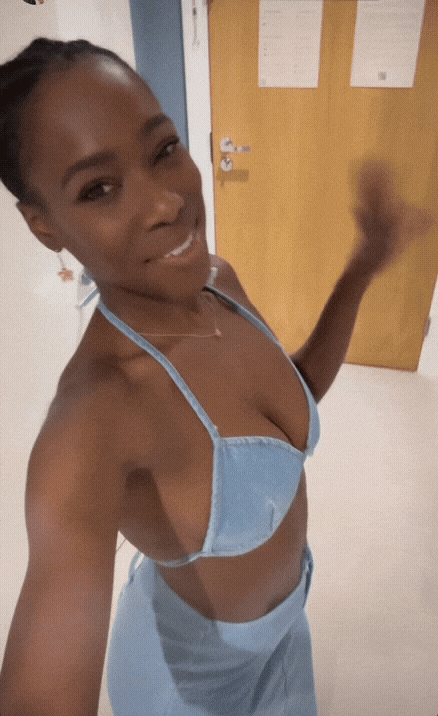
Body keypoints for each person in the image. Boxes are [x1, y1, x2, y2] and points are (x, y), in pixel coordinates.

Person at [0, 38, 430, 716]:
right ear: (44, 225)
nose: (166, 202)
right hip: (190, 691)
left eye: (163, 148)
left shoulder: (217, 282)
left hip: (285, 639)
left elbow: (290, 397)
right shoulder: (92, 421)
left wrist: (363, 267)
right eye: (98, 188)